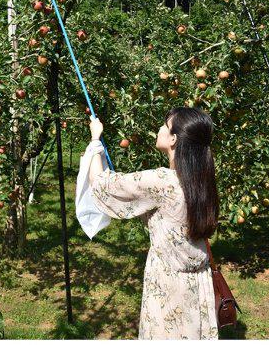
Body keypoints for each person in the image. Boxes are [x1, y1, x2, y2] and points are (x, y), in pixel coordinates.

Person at [85, 107, 219, 339]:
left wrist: (95, 139)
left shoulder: (162, 182)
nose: (158, 129)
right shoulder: (201, 179)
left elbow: (101, 185)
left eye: (164, 126)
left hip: (168, 285)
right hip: (199, 283)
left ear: (174, 139)